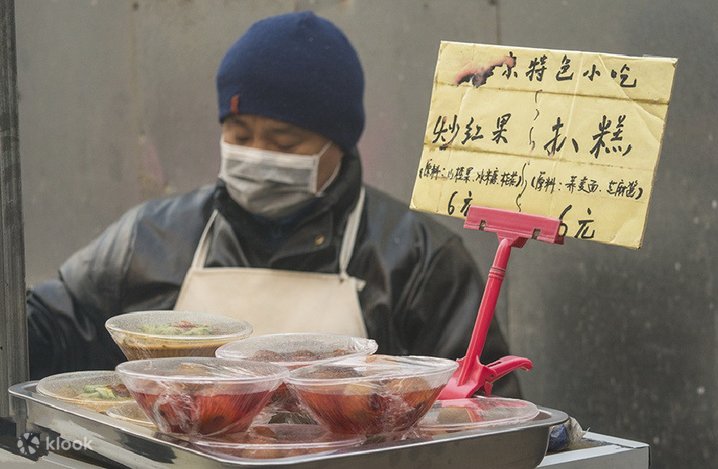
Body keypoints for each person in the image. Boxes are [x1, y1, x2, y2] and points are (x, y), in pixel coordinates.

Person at [26, 11, 521, 397]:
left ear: (339, 144)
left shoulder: (417, 259)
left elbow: (481, 406)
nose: (258, 154)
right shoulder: (151, 239)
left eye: (284, 142)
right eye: (239, 135)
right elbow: (49, 327)